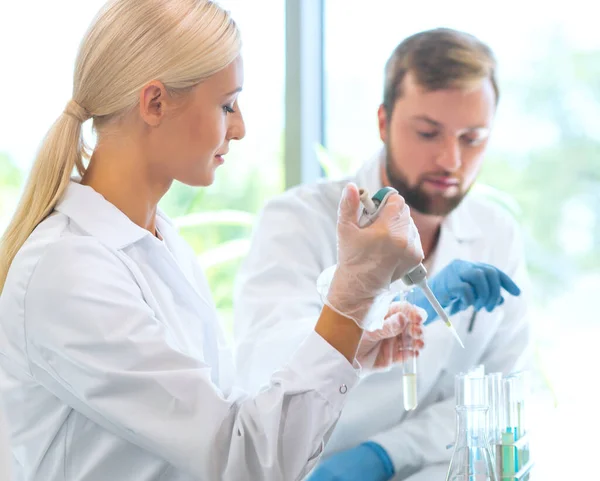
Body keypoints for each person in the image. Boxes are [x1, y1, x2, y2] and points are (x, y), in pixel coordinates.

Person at [0, 1, 428, 480]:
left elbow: (221, 417)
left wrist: (347, 345)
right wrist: (352, 293)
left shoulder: (159, 241)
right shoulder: (69, 270)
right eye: (227, 105)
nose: (240, 128)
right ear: (155, 102)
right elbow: (240, 459)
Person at [233, 28, 532, 481]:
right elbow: (265, 368)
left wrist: (383, 455)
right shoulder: (296, 221)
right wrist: (384, 310)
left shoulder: (495, 234)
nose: (450, 160)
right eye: (429, 133)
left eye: (472, 138)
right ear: (383, 122)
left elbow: (503, 393)